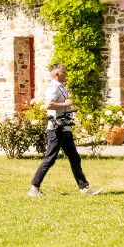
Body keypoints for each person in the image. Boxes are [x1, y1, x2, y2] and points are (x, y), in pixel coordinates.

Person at [28, 63, 101, 196]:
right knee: (50, 159)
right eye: (63, 72)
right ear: (57, 74)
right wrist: (65, 104)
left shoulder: (60, 87)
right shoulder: (54, 88)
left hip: (65, 128)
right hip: (56, 129)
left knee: (75, 158)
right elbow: (48, 105)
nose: (66, 74)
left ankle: (84, 188)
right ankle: (34, 188)